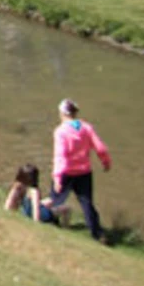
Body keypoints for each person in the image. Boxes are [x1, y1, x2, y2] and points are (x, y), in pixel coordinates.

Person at [51, 99, 112, 241]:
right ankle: (97, 233)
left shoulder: (61, 131)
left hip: (66, 172)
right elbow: (100, 147)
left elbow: (60, 155)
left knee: (55, 200)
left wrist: (57, 177)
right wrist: (105, 161)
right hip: (84, 172)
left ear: (62, 113)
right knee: (86, 203)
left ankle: (50, 222)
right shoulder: (87, 128)